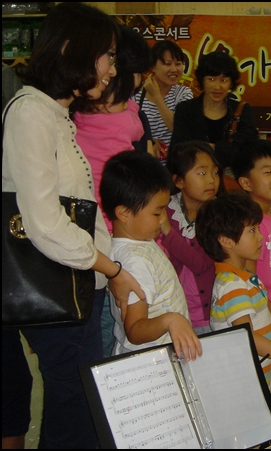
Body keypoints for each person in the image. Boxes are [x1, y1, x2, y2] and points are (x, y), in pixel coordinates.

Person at [1, 3, 145, 448]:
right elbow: (44, 223)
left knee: (77, 401)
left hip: (79, 281)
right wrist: (112, 270)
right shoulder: (31, 113)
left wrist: (109, 269)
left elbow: (81, 210)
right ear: (71, 49)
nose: (111, 69)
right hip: (57, 285)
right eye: (107, 55)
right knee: (77, 402)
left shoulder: (57, 115)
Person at [71, 24, 154, 357]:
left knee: (107, 316)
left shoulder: (77, 112)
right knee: (116, 314)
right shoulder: (125, 115)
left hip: (91, 228)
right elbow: (134, 125)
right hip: (115, 229)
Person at [194, 190, 271, 407]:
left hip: (258, 374)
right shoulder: (232, 286)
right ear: (226, 241)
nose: (260, 236)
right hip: (244, 385)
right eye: (252, 230)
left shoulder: (246, 277)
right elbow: (247, 337)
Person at [99, 150, 203, 360]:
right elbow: (135, 330)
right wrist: (170, 320)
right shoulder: (135, 261)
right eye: (157, 212)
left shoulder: (140, 243)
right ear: (124, 213)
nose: (163, 218)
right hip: (150, 363)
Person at [231, 139, 271, 426]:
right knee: (260, 385)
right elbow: (250, 278)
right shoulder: (253, 225)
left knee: (270, 378)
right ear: (245, 182)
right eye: (267, 172)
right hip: (261, 314)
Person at [160, 140, 224, 336]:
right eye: (202, 173)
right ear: (179, 181)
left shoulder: (220, 214)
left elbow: (201, 263)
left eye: (215, 172)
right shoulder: (164, 209)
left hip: (212, 314)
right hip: (174, 311)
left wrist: (168, 231)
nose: (212, 180)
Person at [171, 50, 258, 170]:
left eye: (223, 80)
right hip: (194, 181)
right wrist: (224, 149)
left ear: (231, 83)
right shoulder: (186, 110)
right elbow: (178, 152)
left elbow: (248, 153)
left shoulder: (243, 111)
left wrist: (205, 147)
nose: (217, 87)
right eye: (211, 79)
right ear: (202, 80)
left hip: (232, 183)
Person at [136, 40, 193, 159]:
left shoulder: (183, 93)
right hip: (144, 168)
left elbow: (178, 129)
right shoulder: (135, 96)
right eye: (167, 64)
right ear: (152, 67)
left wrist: (157, 97)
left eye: (178, 63)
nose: (174, 69)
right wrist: (149, 142)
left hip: (173, 169)